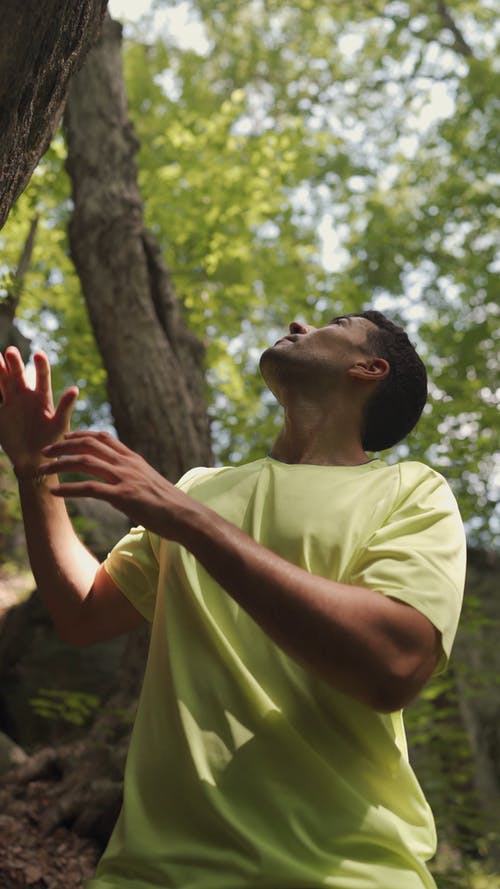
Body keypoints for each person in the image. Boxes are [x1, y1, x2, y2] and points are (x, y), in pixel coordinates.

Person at [0, 309, 466, 889]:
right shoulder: (202, 487)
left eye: (336, 323)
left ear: (369, 367)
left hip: (344, 871)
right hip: (147, 873)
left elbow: (394, 662)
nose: (298, 323)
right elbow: (82, 612)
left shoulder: (410, 491)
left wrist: (187, 518)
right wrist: (34, 469)